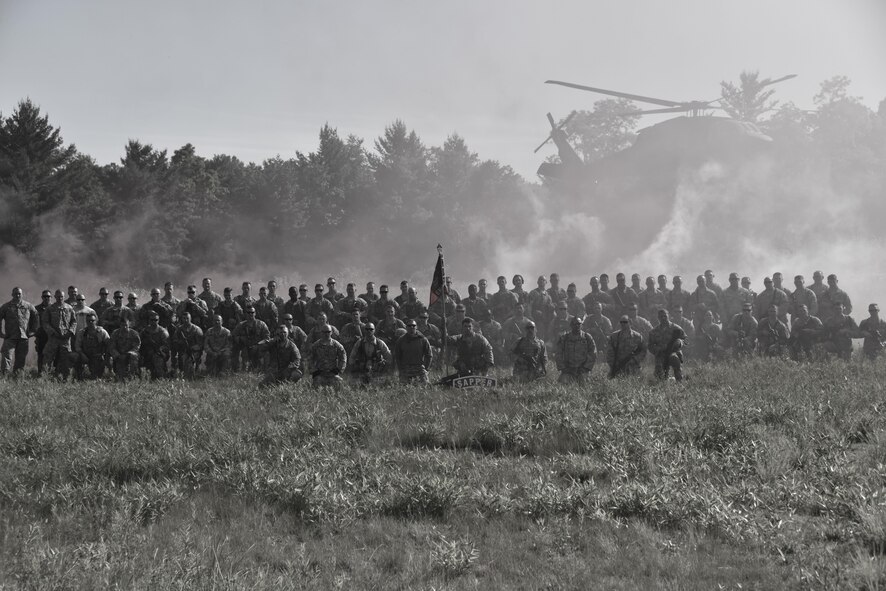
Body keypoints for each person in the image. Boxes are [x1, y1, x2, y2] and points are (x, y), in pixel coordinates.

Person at [0, 287, 39, 376]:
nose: (17, 295)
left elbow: (36, 317)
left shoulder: (28, 306)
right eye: (15, 294)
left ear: (22, 294)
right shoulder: (6, 306)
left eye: (19, 294)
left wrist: (33, 331)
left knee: (20, 360)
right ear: (12, 294)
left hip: (23, 337)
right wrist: (1, 333)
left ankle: (17, 378)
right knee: (6, 357)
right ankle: (4, 377)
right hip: (10, 337)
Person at [42, 289, 77, 379]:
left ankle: (65, 378)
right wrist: (52, 332)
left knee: (66, 359)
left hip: (65, 338)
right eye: (58, 296)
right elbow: (45, 322)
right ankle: (45, 377)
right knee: (48, 358)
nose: (60, 298)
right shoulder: (50, 308)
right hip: (54, 338)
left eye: (61, 296)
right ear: (55, 297)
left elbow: (74, 321)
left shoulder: (69, 308)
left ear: (64, 297)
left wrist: (70, 332)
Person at [647, 309, 687, 380]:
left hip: (674, 352)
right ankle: (668, 380)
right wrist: (658, 349)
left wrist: (679, 342)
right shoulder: (654, 331)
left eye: (665, 316)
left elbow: (685, 339)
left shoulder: (676, 328)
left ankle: (679, 380)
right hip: (661, 355)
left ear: (669, 316)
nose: (663, 318)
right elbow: (650, 346)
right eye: (661, 316)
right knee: (659, 376)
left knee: (675, 359)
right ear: (658, 318)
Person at [555, 316, 595, 384]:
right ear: (571, 325)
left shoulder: (587, 337)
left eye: (579, 324)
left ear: (581, 325)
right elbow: (558, 354)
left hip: (582, 370)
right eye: (574, 324)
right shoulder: (564, 338)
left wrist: (585, 368)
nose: (577, 326)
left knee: (584, 385)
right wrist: (563, 368)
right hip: (568, 370)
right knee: (563, 384)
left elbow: (593, 353)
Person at [71, 313, 110, 380]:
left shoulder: (102, 332)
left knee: (96, 377)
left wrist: (105, 356)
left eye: (92, 320)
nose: (90, 322)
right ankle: (78, 375)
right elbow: (77, 346)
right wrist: (82, 354)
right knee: (74, 356)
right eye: (88, 321)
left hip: (98, 356)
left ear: (96, 321)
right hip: (85, 355)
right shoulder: (82, 332)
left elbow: (109, 345)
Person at [393, 319, 433, 384]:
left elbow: (429, 355)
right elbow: (397, 357)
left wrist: (426, 369)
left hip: (419, 368)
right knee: (404, 387)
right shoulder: (400, 340)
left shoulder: (423, 339)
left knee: (425, 386)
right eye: (409, 326)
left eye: (413, 325)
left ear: (416, 327)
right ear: (406, 327)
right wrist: (401, 370)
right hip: (406, 369)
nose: (412, 327)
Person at [308, 324, 347, 388]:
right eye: (324, 332)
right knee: (316, 386)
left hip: (332, 374)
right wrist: (314, 371)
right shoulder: (315, 345)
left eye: (328, 332)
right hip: (320, 374)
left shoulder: (337, 345)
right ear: (321, 333)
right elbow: (310, 359)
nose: (326, 334)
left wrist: (339, 369)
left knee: (340, 383)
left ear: (331, 332)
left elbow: (343, 357)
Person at [232, 306, 270, 371]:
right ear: (245, 314)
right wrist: (241, 339)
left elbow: (267, 338)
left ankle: (264, 370)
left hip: (258, 348)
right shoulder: (241, 325)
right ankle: (240, 369)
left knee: (266, 355)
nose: (250, 314)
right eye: (248, 312)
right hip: (245, 348)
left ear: (255, 313)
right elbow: (234, 336)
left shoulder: (261, 324)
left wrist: (258, 345)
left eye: (252, 312)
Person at [171, 311, 204, 379]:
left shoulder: (197, 330)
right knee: (177, 362)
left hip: (194, 352)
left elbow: (200, 344)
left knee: (190, 363)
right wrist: (181, 343)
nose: (185, 320)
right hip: (182, 351)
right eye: (184, 318)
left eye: (187, 318)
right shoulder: (179, 329)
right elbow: (174, 341)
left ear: (190, 319)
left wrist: (192, 348)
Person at [110, 315, 142, 381]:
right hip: (119, 355)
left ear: (129, 325)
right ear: (120, 325)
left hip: (130, 355)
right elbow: (112, 347)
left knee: (133, 357)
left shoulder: (134, 334)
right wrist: (118, 355)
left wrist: (128, 354)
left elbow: (137, 346)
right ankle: (118, 374)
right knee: (120, 377)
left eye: (126, 325)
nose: (124, 327)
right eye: (122, 325)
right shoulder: (115, 333)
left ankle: (133, 375)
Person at [138, 311, 169, 380]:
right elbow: (139, 343)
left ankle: (161, 378)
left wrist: (160, 349)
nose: (154, 322)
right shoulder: (144, 331)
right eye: (152, 320)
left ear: (158, 320)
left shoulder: (162, 331)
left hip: (159, 353)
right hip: (146, 352)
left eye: (156, 320)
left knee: (157, 359)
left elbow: (166, 345)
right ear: (149, 320)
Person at [35, 290, 51, 374]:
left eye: (48, 296)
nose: (46, 298)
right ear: (42, 297)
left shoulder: (54, 308)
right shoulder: (36, 309)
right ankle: (40, 373)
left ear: (51, 297)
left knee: (52, 355)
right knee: (41, 355)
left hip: (52, 336)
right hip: (41, 336)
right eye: (45, 296)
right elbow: (32, 322)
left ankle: (50, 373)